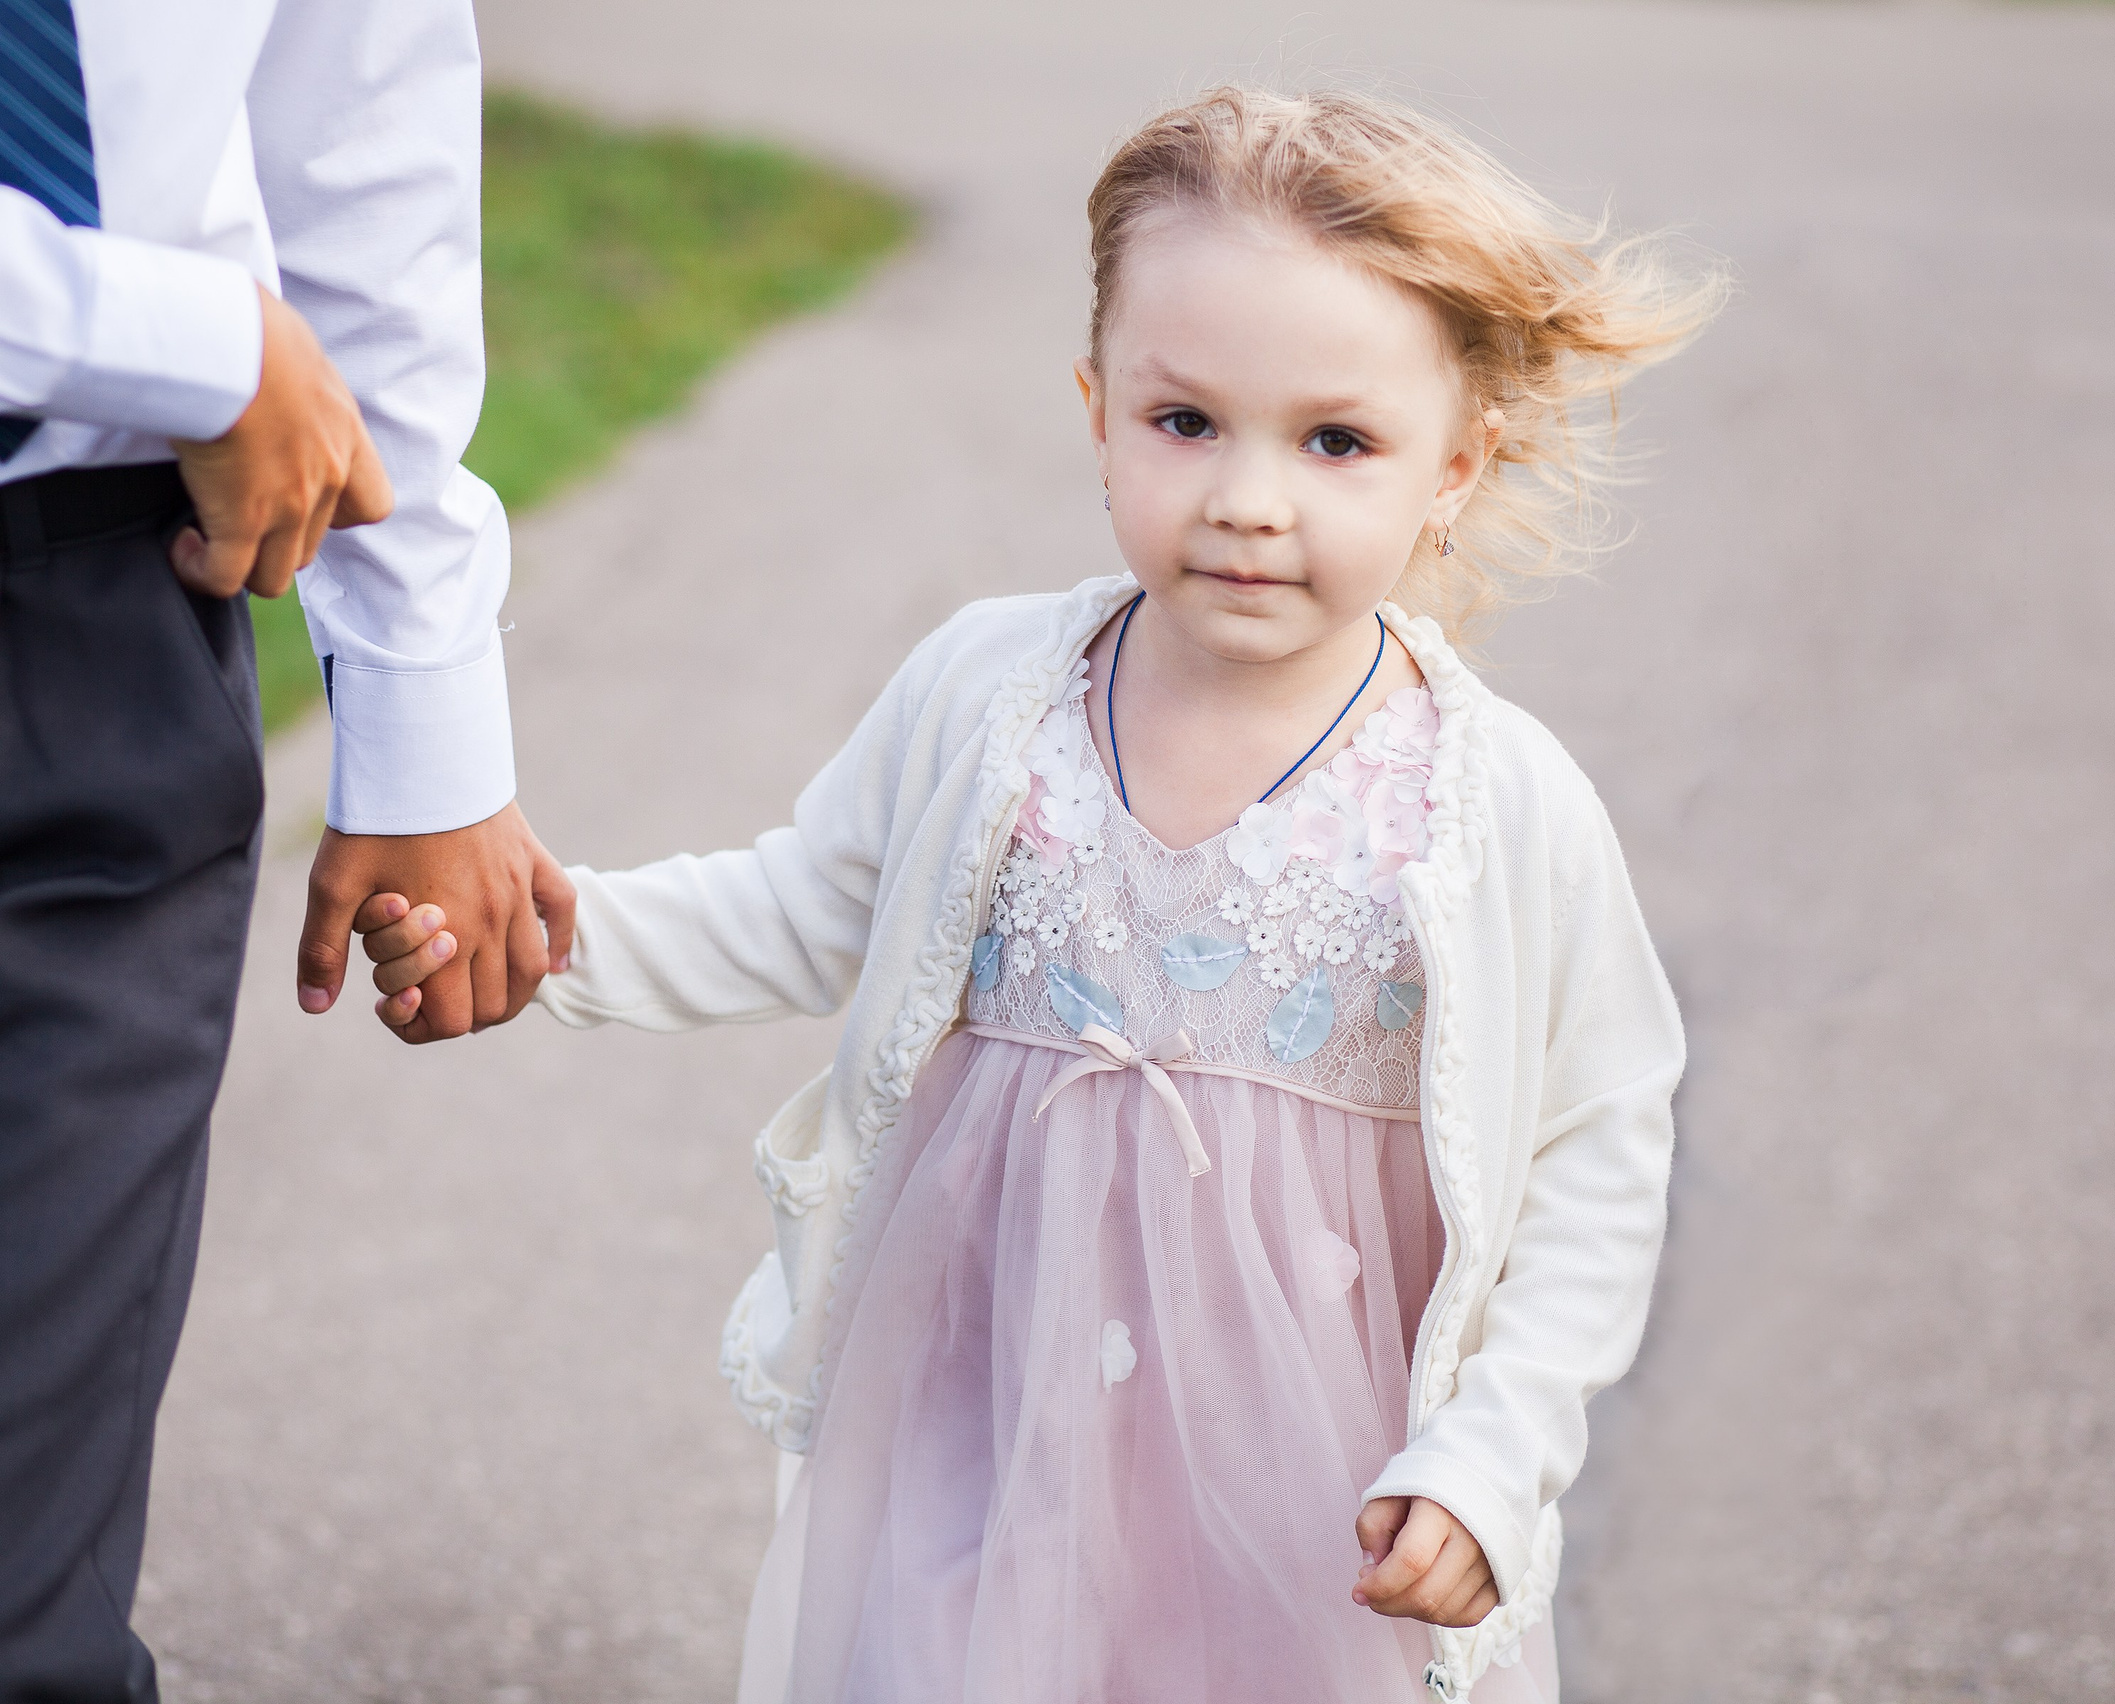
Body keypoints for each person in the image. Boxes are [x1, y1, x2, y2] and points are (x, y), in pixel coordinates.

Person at [355, 87, 1706, 1703]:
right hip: (991, 1418)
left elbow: (1599, 1140)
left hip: (1316, 1490)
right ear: (1098, 408)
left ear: (1456, 469)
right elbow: (803, 905)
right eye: (1184, 421)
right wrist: (540, 936)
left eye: (1336, 441)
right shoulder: (995, 694)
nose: (1248, 500)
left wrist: (1501, 1447)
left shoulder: (1492, 805)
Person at [0, 3, 571, 1698]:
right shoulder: (199, 346)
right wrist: (183, 342)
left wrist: (421, 702)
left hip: (99, 607)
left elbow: (357, 100)